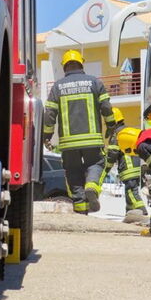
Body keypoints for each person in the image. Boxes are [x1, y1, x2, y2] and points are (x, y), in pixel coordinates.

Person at [43, 49, 116, 214]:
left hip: (69, 144)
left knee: (73, 174)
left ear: (64, 67)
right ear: (81, 64)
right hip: (92, 140)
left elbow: (50, 114)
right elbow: (106, 107)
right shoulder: (94, 83)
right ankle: (92, 185)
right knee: (96, 164)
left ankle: (81, 211)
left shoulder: (58, 86)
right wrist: (112, 126)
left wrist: (46, 136)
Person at [102, 107, 149, 223]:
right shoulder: (128, 130)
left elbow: (112, 154)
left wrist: (105, 169)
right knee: (131, 188)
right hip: (139, 164)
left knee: (131, 190)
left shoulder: (117, 134)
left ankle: (140, 209)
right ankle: (129, 213)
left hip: (128, 166)